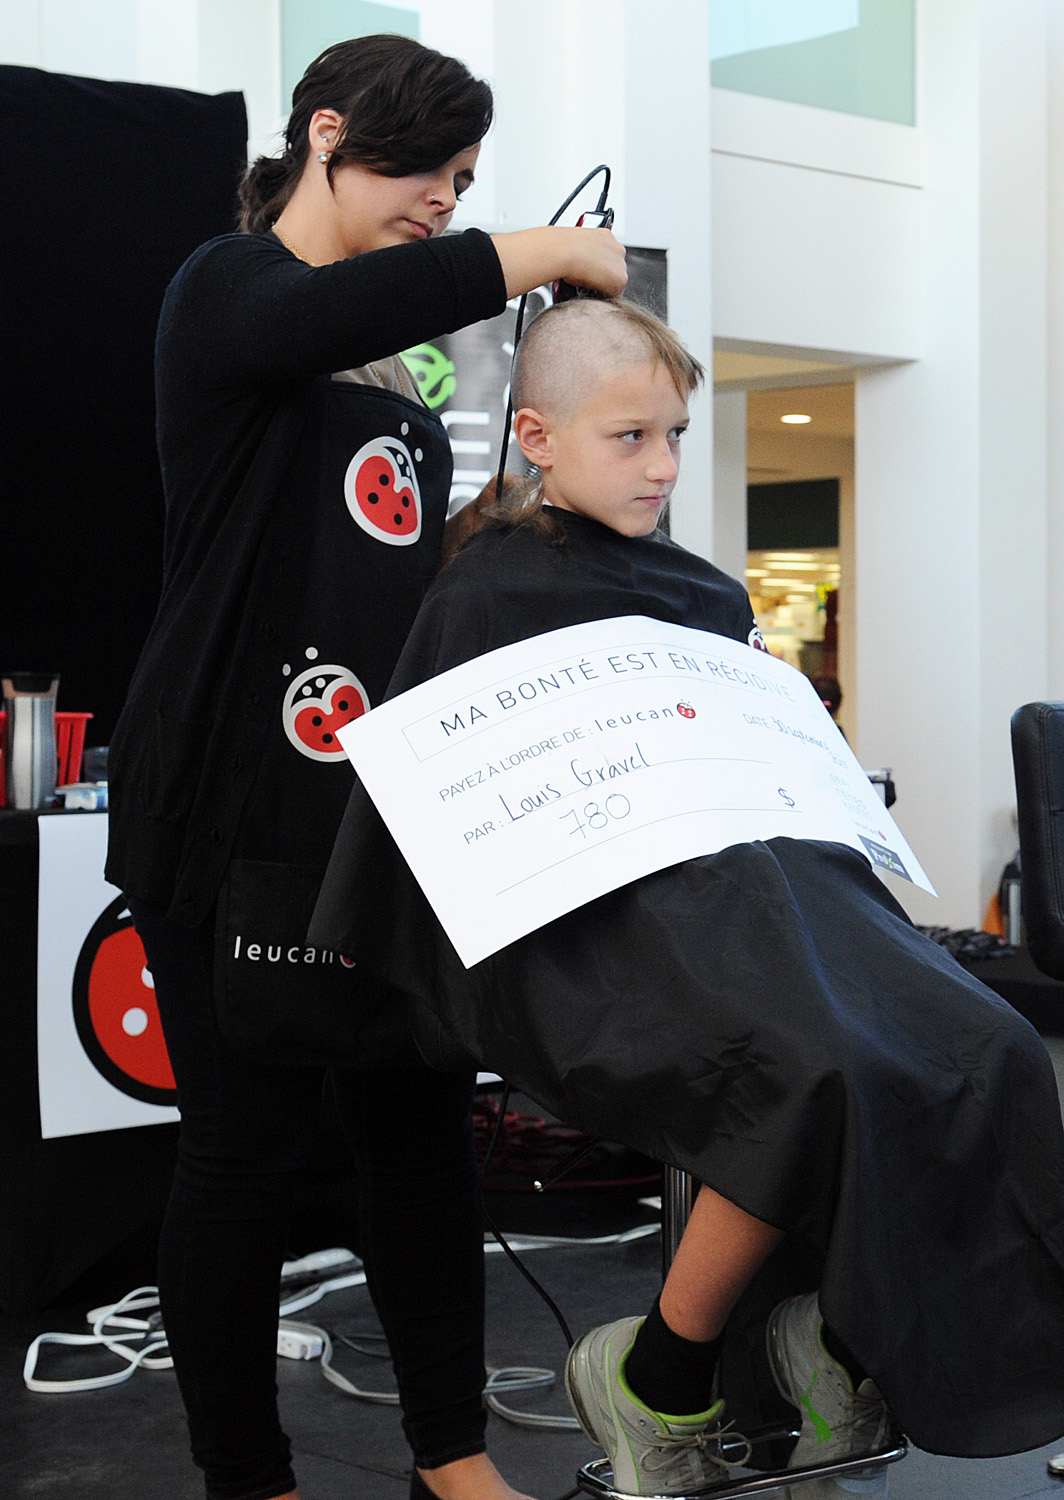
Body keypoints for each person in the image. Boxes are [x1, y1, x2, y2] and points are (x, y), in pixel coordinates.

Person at [312, 299, 1064, 1497]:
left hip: (771, 900)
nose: (664, 466)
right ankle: (661, 1376)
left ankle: (831, 1341)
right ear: (535, 434)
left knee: (989, 1046)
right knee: (806, 1070)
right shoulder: (478, 597)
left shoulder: (701, 591)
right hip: (604, 936)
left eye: (676, 435)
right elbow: (435, 833)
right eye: (628, 437)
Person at [105, 36, 629, 1500]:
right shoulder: (225, 296)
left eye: (465, 184)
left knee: (421, 1144)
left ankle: (450, 1458)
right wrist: (537, 249)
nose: (443, 204)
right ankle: (246, 1476)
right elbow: (348, 303)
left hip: (380, 814)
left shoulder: (398, 364)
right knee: (243, 1154)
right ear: (327, 133)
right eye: (424, 172)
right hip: (221, 791)